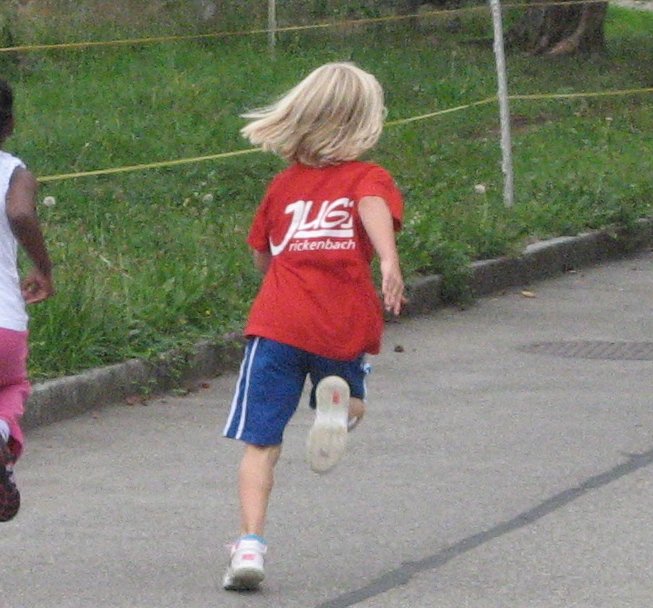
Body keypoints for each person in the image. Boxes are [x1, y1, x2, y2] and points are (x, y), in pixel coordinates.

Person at [221, 62, 404, 591]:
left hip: (279, 324)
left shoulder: (283, 188)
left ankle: (250, 547)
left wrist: (282, 262)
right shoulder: (370, 178)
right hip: (342, 321)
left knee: (260, 443)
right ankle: (338, 412)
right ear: (366, 120)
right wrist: (387, 260)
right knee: (354, 401)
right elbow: (369, 206)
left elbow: (261, 256)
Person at [0, 79, 54, 522]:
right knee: (10, 385)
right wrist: (44, 268)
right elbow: (19, 213)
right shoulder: (14, 172)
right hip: (4, 324)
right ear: (10, 124)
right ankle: (1, 429)